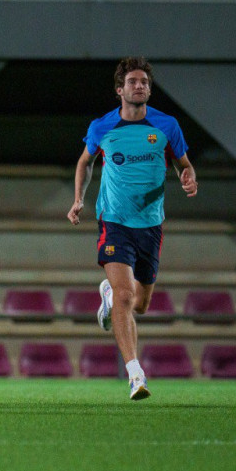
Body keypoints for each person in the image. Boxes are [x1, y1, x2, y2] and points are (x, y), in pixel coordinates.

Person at [68, 57, 198, 401]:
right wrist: (79, 199)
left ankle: (109, 295)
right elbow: (85, 161)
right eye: (133, 81)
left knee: (139, 304)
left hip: (151, 224)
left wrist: (189, 177)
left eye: (144, 82)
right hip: (114, 221)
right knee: (126, 296)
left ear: (149, 90)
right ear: (119, 90)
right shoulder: (102, 127)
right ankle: (135, 374)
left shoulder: (167, 126)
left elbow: (184, 164)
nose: (139, 86)